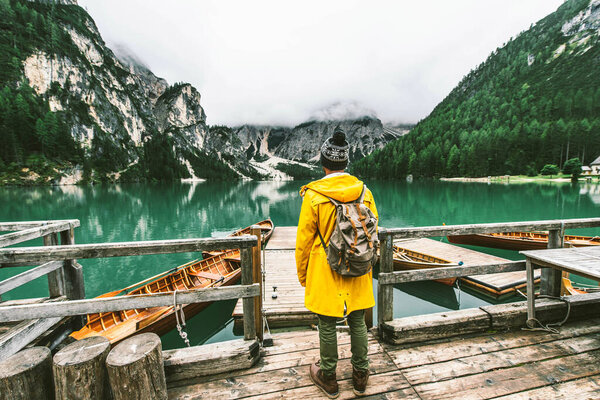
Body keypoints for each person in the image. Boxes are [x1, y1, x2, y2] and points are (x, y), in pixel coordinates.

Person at [295, 128, 377, 398]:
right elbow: (373, 231)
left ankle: (328, 377)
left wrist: (303, 274)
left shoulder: (314, 195)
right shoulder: (364, 191)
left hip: (325, 266)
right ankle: (360, 376)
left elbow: (304, 240)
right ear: (346, 162)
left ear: (324, 163)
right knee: (357, 319)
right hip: (357, 264)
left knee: (327, 322)